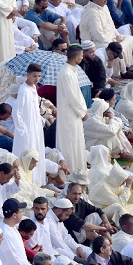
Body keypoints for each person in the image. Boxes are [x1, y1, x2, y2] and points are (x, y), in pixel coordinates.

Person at [57, 45, 89, 175]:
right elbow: (72, 97)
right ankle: (71, 172)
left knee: (76, 141)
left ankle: (78, 170)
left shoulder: (71, 71)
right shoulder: (66, 73)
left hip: (74, 113)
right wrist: (82, 112)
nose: (82, 58)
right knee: (70, 142)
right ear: (76, 58)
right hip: (70, 114)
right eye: (81, 55)